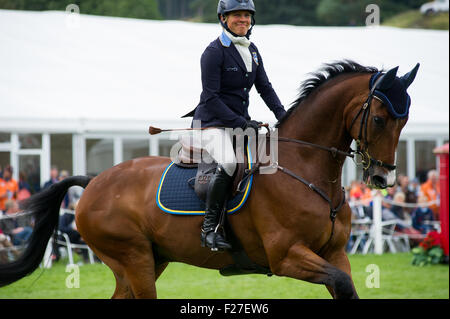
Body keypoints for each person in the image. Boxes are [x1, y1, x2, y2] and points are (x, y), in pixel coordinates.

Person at [182, 0, 286, 250]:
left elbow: (265, 88)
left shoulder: (252, 51)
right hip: (211, 123)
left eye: (247, 15)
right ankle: (209, 229)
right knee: (229, 162)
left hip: (238, 124)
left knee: (267, 162)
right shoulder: (213, 52)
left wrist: (284, 115)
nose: (243, 20)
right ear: (223, 19)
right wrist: (241, 123)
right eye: (237, 15)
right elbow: (211, 97)